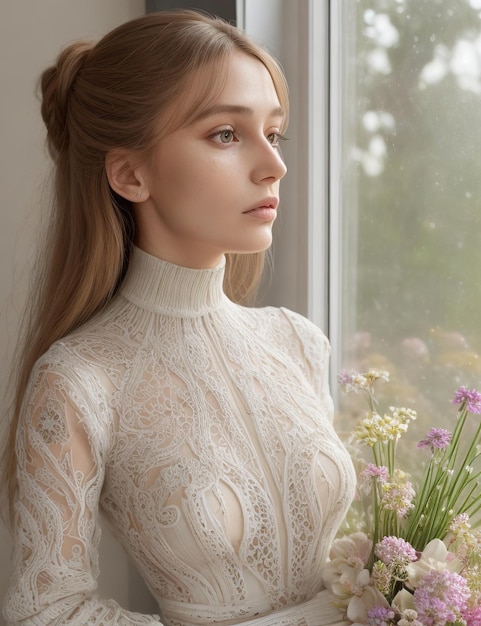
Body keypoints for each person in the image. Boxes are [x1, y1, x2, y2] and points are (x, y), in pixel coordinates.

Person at [1, 10, 356, 626]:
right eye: (226, 133)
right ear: (130, 173)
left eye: (275, 133)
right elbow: (45, 613)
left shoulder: (297, 342)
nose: (275, 165)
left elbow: (340, 567)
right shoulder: (80, 379)